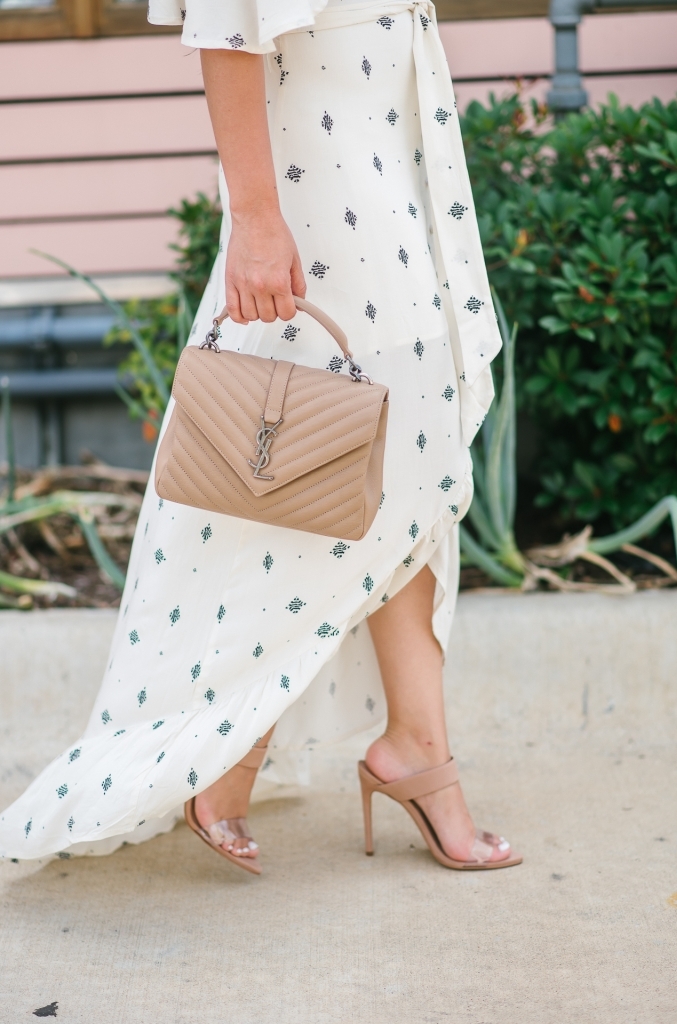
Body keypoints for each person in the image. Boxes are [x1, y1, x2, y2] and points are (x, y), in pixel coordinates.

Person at [0, 0, 520, 873]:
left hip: (387, 155)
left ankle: (402, 744)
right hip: (326, 181)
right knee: (301, 468)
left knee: (409, 463)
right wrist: (254, 216)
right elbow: (227, 21)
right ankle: (241, 752)